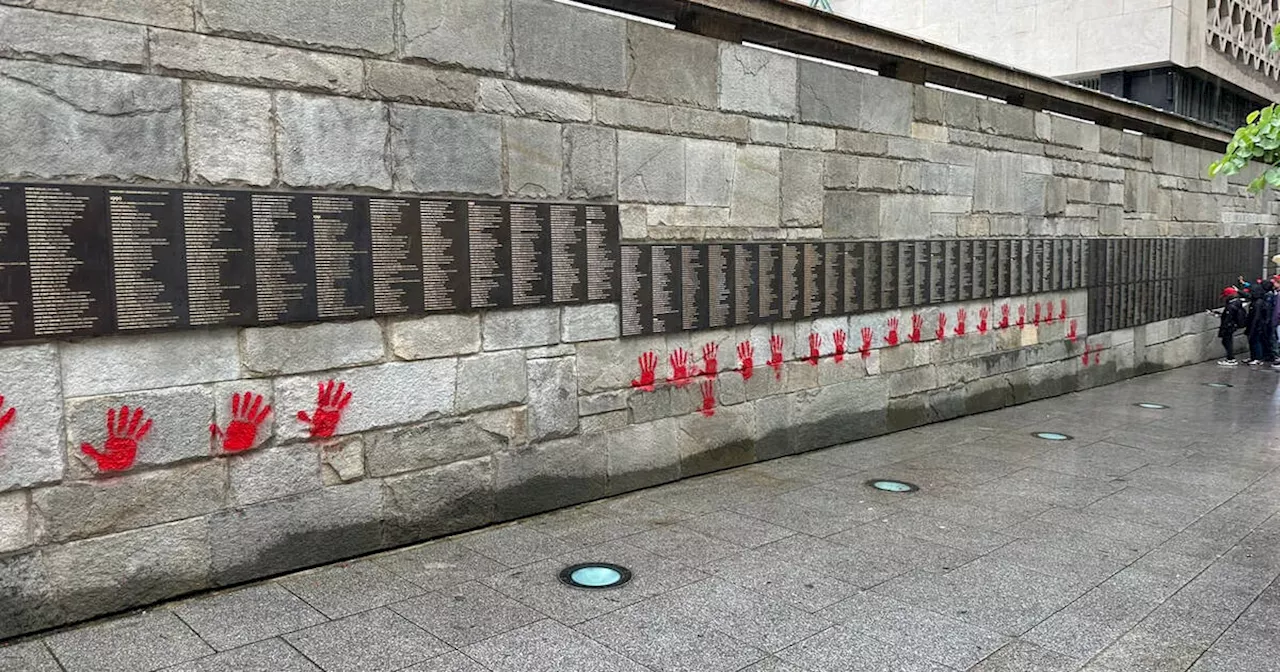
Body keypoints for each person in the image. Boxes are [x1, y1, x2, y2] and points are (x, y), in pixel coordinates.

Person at [1214, 286, 1247, 366]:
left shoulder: (1231, 305)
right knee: (1227, 341)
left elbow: (1228, 317)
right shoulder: (1237, 303)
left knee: (1227, 342)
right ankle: (1230, 358)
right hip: (1233, 325)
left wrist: (1224, 327)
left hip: (1229, 326)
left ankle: (1231, 359)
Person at [1245, 280, 1275, 365]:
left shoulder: (1258, 303)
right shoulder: (1258, 301)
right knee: (1254, 341)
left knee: (1256, 341)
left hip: (1257, 326)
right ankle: (1254, 357)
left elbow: (1256, 317)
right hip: (1257, 325)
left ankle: (1257, 358)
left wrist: (1253, 328)